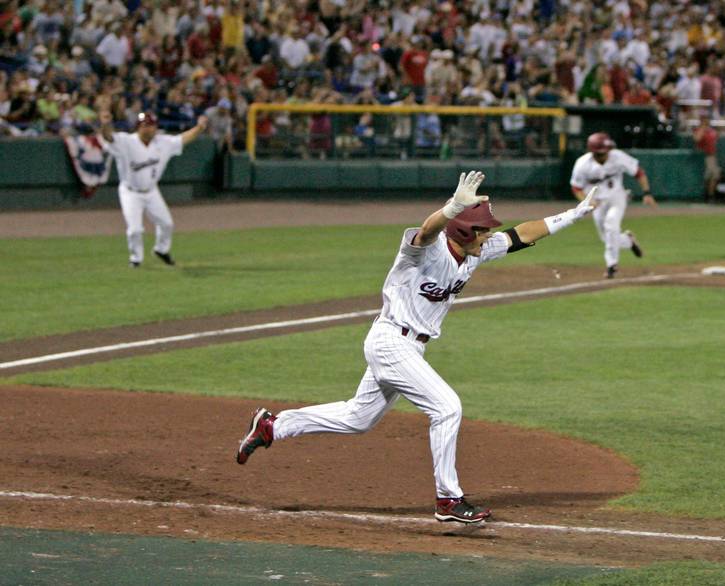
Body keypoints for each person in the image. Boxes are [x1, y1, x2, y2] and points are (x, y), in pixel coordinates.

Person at [235, 172, 600, 524]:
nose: (489, 234)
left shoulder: (475, 252)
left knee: (357, 419)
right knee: (446, 408)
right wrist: (451, 208)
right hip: (392, 341)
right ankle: (448, 499)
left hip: (407, 348)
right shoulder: (422, 253)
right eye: (482, 228)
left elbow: (522, 233)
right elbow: (426, 232)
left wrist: (575, 213)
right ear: (462, 229)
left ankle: (272, 426)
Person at [98, 110, 208, 267]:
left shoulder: (163, 143)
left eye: (151, 125)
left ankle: (161, 250)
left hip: (151, 191)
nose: (148, 128)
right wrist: (105, 124)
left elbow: (183, 139)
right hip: (130, 192)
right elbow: (108, 137)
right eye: (144, 125)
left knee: (167, 224)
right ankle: (136, 259)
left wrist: (200, 127)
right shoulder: (126, 141)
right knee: (135, 229)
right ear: (138, 127)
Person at [570, 132, 657, 279]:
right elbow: (576, 187)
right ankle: (628, 241)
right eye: (603, 152)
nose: (607, 153)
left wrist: (647, 193)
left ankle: (612, 265)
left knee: (611, 225)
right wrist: (586, 200)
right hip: (597, 203)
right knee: (607, 238)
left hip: (617, 197)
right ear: (594, 152)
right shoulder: (582, 164)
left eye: (607, 150)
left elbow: (638, 172)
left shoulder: (618, 156)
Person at [692, 114, 719, 202]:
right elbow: (696, 139)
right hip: (703, 157)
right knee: (706, 177)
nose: (706, 121)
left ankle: (710, 195)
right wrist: (702, 128)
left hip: (712, 156)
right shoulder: (698, 130)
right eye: (704, 119)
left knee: (714, 176)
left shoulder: (711, 130)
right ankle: (705, 195)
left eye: (707, 119)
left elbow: (715, 140)